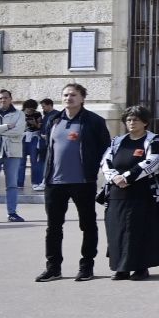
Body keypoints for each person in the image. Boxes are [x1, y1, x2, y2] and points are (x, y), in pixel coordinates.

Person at [36, 82, 111, 282]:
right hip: (54, 182)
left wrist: (98, 172)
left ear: (82, 98)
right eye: (66, 95)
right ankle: (53, 268)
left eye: (73, 95)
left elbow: (107, 150)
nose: (69, 98)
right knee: (53, 227)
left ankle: (86, 266)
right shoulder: (53, 119)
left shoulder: (94, 121)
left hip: (83, 182)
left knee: (87, 225)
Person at [101, 104, 159, 280]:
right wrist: (115, 177)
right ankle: (121, 268)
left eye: (136, 120)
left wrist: (128, 177)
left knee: (139, 231)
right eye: (129, 119)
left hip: (143, 194)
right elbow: (106, 161)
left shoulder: (152, 140)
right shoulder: (117, 141)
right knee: (117, 230)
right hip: (117, 194)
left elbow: (154, 160)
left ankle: (140, 268)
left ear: (145, 122)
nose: (131, 122)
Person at [0, 89, 26, 221]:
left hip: (13, 152)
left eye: (5, 97)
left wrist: (1, 130)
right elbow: (12, 130)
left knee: (12, 184)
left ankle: (12, 213)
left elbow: (19, 130)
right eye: (0, 98)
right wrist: (7, 127)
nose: (2, 100)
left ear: (10, 99)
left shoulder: (19, 114)